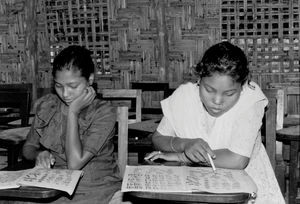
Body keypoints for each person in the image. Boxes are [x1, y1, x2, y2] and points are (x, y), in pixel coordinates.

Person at [145, 41, 285, 203]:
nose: (217, 101)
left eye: (230, 93)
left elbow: (237, 160)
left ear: (243, 85)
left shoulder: (250, 100)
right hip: (194, 185)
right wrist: (185, 144)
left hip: (244, 190)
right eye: (209, 90)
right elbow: (158, 138)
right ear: (199, 78)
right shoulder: (184, 97)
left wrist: (182, 156)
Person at [22, 45, 130, 204]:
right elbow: (28, 147)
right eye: (59, 86)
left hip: (96, 190)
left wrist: (73, 113)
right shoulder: (48, 106)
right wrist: (38, 154)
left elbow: (74, 164)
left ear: (90, 80)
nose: (65, 94)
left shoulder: (103, 112)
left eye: (73, 86)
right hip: (54, 188)